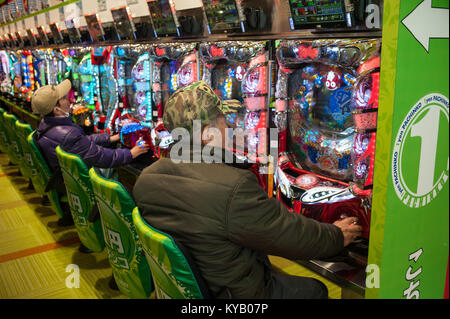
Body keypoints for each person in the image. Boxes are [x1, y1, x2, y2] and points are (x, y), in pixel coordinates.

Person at [133, 81, 362, 299]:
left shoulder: (147, 178)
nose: (229, 127)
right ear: (205, 134)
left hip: (192, 288)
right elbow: (288, 235)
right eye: (223, 121)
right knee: (315, 289)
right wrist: (335, 236)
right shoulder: (233, 187)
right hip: (236, 295)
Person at [31, 79, 149, 227]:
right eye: (63, 99)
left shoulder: (48, 127)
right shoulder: (68, 134)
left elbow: (83, 141)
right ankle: (118, 217)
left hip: (66, 179)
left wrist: (111, 138)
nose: (69, 100)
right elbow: (102, 157)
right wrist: (132, 152)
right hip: (81, 183)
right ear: (56, 109)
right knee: (125, 178)